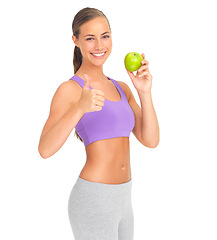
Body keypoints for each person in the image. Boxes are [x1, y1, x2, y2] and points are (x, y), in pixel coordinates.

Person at [38, 7, 159, 240]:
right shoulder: (70, 89)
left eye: (105, 36)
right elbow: (45, 149)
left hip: (125, 197)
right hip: (94, 197)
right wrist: (79, 108)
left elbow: (151, 140)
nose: (99, 46)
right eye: (89, 38)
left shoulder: (121, 87)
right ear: (76, 41)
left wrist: (144, 92)